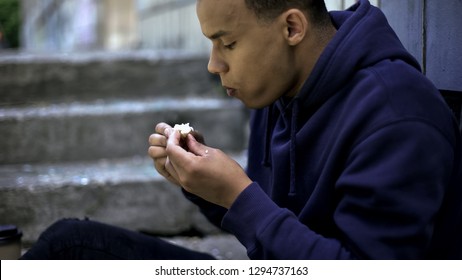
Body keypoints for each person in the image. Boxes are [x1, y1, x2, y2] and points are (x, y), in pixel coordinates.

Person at [22, 0, 462, 260]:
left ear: (292, 26)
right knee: (72, 245)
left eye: (227, 43)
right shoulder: (280, 88)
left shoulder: (397, 114)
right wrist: (202, 184)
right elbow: (275, 221)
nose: (214, 65)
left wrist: (238, 196)